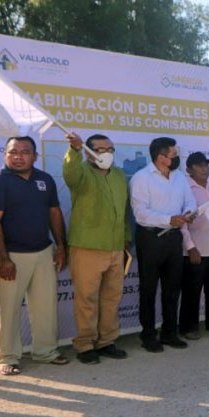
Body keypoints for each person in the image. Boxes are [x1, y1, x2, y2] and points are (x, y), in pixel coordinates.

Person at [0, 136, 69, 375]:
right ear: (5, 155)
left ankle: (46, 352)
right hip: (12, 256)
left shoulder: (44, 179)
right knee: (8, 309)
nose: (18, 156)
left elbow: (54, 213)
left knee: (45, 307)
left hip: (43, 252)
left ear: (35, 156)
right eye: (13, 152)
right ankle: (7, 358)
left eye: (25, 151)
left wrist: (61, 245)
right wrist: (3, 258)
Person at [64, 132, 131, 365]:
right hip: (87, 246)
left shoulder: (120, 176)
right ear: (88, 152)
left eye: (110, 149)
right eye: (101, 149)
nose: (106, 154)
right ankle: (85, 344)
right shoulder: (81, 172)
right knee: (87, 299)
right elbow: (69, 175)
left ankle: (107, 341)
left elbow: (123, 211)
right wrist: (73, 151)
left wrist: (126, 238)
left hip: (115, 247)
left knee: (112, 297)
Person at [130, 137, 197, 352]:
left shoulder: (179, 178)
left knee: (172, 288)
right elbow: (140, 213)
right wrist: (168, 220)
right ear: (160, 157)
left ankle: (170, 332)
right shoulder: (141, 178)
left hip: (173, 238)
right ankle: (148, 335)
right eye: (174, 155)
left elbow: (190, 200)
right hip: (150, 238)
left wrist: (189, 213)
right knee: (148, 289)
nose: (177, 159)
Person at [179, 152, 209, 338]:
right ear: (189, 169)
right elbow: (182, 223)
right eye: (199, 165)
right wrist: (190, 247)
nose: (204, 169)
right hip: (196, 249)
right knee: (192, 291)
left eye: (206, 165)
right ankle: (188, 328)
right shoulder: (184, 189)